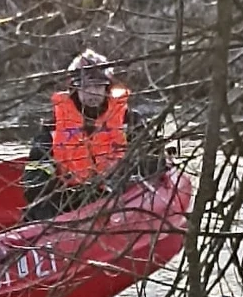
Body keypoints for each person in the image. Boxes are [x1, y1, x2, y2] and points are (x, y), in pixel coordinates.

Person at [21, 49, 166, 222]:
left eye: (98, 86)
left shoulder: (129, 120)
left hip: (118, 198)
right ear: (74, 89)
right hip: (69, 199)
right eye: (85, 86)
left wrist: (127, 173)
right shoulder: (53, 127)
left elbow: (154, 159)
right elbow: (35, 173)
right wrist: (42, 189)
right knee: (37, 208)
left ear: (107, 87)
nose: (92, 92)